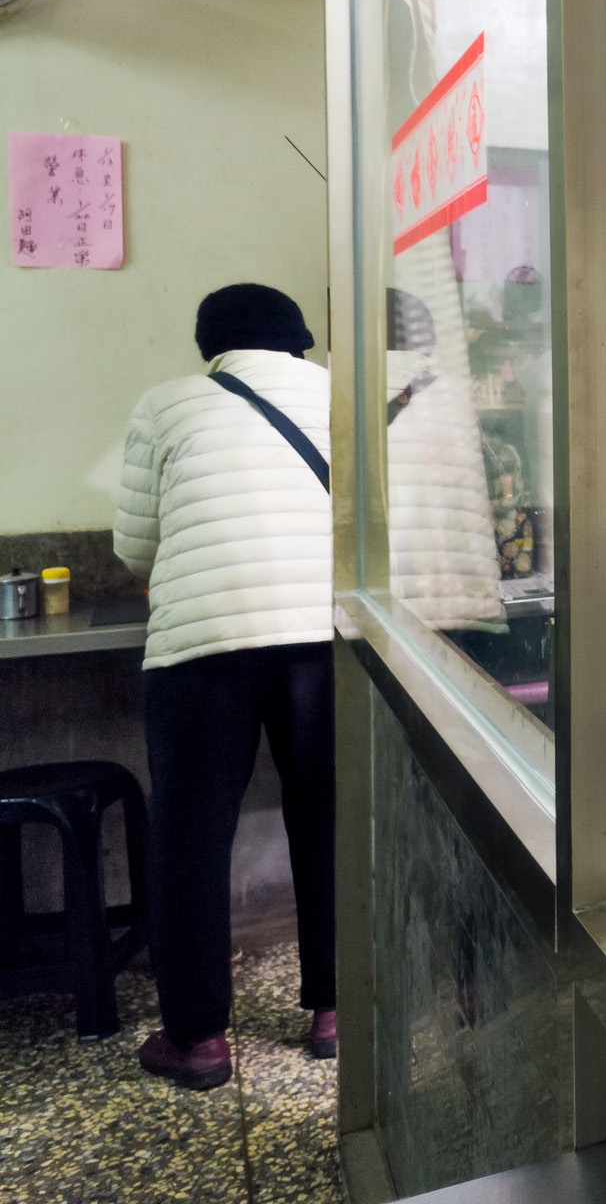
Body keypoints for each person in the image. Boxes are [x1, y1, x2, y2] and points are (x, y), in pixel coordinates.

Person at [113, 284, 336, 1090]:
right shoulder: (339, 394)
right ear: (297, 340)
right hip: (323, 638)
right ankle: (335, 1010)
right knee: (328, 821)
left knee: (192, 837)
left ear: (211, 343)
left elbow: (136, 546)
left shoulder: (168, 403)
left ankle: (199, 1039)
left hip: (202, 648)